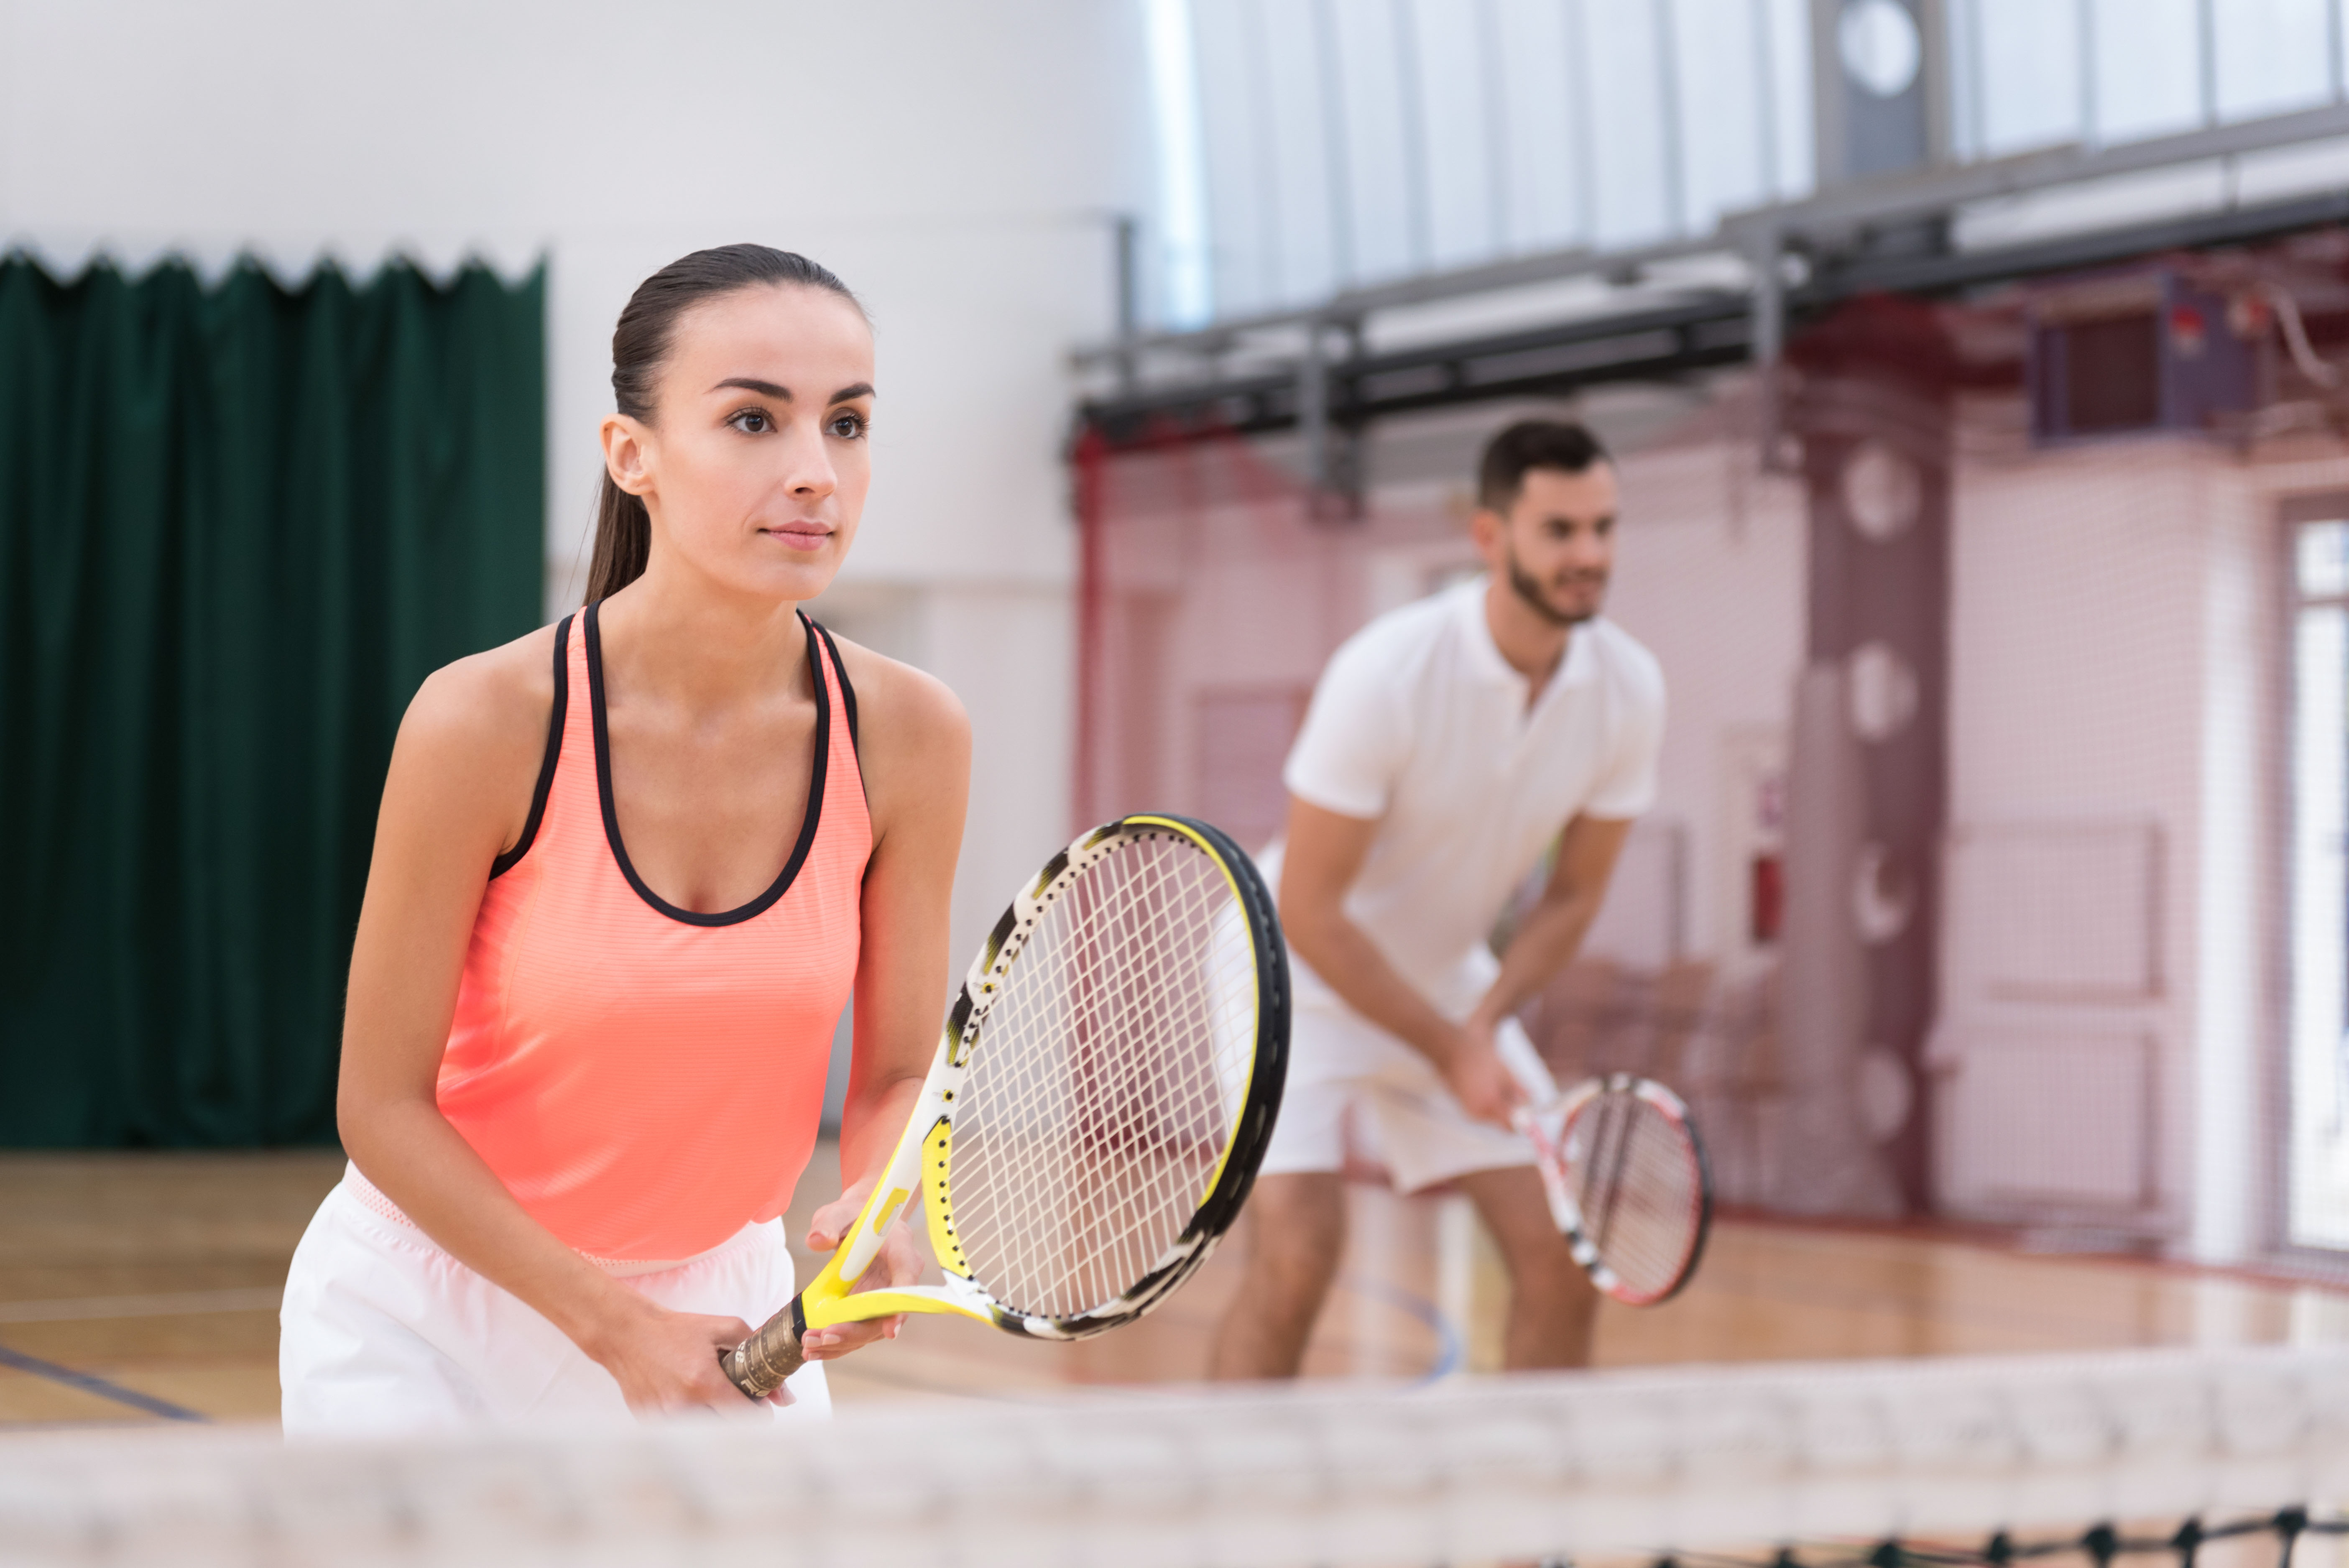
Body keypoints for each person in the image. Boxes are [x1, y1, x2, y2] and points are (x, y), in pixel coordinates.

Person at [280, 245, 970, 1431]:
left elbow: (899, 1067)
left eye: (846, 423)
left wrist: (889, 1192)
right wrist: (613, 1329)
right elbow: (378, 1104)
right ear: (630, 454)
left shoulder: (911, 732)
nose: (815, 472)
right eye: (754, 418)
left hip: (726, 1296)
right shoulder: (483, 720)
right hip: (432, 1312)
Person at [1208, 419, 1664, 1379]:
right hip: (1283, 975)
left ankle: (1534, 1535)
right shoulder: (1388, 671)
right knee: (1298, 1256)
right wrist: (1454, 1046)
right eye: (1560, 531)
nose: (1589, 556)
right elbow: (1310, 907)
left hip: (1450, 983)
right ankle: (1224, 1529)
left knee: (1559, 1257)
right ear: (1491, 538)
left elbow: (1574, 896)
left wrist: (1487, 1020)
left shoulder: (1628, 690)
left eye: (1603, 529)